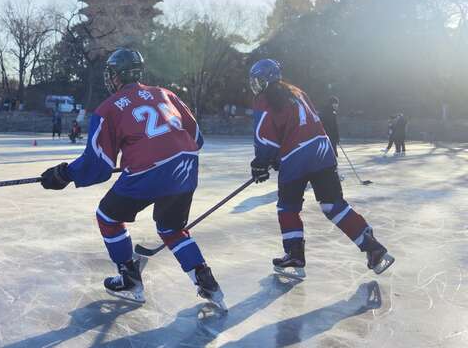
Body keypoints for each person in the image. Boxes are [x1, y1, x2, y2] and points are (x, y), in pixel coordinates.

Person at [40, 48, 225, 309]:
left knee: (108, 216)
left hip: (149, 171)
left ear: (116, 76)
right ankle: (208, 284)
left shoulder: (108, 108)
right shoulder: (165, 94)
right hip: (186, 164)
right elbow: (196, 138)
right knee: (171, 228)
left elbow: (99, 164)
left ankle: (129, 279)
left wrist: (63, 174)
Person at [248, 59, 394, 279]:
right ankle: (372, 246)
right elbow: (301, 123)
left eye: (259, 80)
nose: (257, 85)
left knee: (288, 207)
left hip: (297, 157)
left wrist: (261, 162)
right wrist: (277, 158)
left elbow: (264, 135)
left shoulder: (264, 98)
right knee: (332, 205)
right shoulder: (297, 92)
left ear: (266, 80)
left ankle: (294, 255)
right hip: (323, 152)